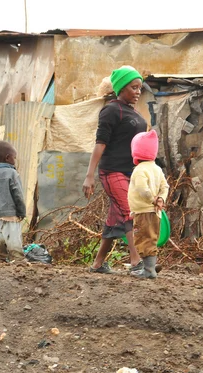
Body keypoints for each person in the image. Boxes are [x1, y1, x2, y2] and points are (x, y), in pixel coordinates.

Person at [83, 65, 147, 274]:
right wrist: (89, 175)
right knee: (131, 212)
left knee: (114, 220)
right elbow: (100, 143)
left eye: (139, 88)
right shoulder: (111, 110)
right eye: (133, 87)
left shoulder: (132, 111)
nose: (138, 92)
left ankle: (98, 264)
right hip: (112, 171)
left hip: (131, 171)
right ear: (121, 88)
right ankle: (137, 262)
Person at [127, 130, 169, 278]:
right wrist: (161, 199)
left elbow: (142, 190)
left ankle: (149, 270)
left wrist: (152, 199)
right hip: (154, 212)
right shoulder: (157, 169)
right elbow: (165, 187)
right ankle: (148, 268)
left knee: (143, 239)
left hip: (144, 212)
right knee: (150, 238)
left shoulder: (139, 170)